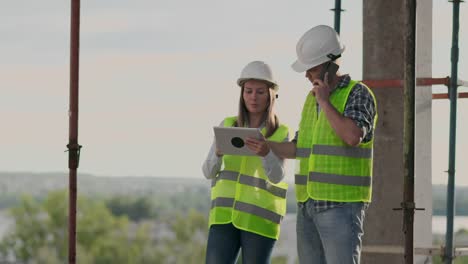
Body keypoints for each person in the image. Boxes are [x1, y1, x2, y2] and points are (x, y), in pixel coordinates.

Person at [265, 25, 378, 264]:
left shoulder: (358, 93)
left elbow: (352, 136)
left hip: (341, 206)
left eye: (312, 69)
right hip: (308, 205)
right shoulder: (311, 99)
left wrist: (326, 102)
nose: (307, 75)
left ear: (331, 64)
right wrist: (265, 146)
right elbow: (298, 147)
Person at [202, 61, 290, 264]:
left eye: (260, 92)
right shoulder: (227, 125)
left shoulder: (281, 131)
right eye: (248, 91)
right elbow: (208, 171)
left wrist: (266, 152)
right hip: (224, 217)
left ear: (270, 95)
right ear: (242, 94)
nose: (253, 97)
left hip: (259, 221)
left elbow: (277, 176)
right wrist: (217, 153)